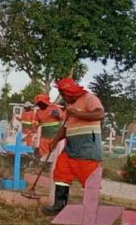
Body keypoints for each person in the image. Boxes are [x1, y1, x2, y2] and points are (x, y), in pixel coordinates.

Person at [43, 77, 105, 215]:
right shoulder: (69, 106)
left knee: (89, 179)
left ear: (70, 92)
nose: (63, 97)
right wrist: (54, 141)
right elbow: (65, 128)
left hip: (87, 147)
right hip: (70, 147)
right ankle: (59, 206)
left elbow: (100, 113)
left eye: (64, 94)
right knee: (61, 173)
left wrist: (79, 114)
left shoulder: (90, 98)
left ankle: (91, 210)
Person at [34, 93, 64, 161]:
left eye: (40, 103)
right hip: (44, 137)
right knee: (44, 154)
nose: (39, 105)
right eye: (38, 104)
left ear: (45, 102)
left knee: (55, 153)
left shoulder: (54, 107)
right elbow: (36, 122)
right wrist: (34, 126)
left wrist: (57, 114)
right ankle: (45, 165)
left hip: (55, 136)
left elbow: (63, 116)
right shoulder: (38, 112)